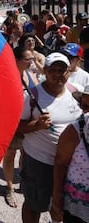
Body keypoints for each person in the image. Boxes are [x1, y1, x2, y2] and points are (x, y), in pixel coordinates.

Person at [18, 52, 82, 223]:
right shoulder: (31, 95)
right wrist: (36, 125)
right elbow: (17, 128)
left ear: (69, 72)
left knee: (62, 206)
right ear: (45, 70)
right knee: (34, 204)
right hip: (39, 163)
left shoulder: (75, 93)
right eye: (53, 69)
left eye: (62, 70)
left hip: (69, 165)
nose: (57, 74)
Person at [3, 47, 39, 208]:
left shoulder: (31, 76)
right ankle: (9, 188)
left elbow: (38, 96)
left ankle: (23, 182)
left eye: (33, 58)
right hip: (11, 125)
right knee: (10, 156)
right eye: (28, 59)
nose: (32, 62)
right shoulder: (6, 77)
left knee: (25, 155)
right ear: (17, 60)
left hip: (28, 125)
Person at [51, 85, 89, 223]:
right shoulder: (75, 130)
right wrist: (57, 199)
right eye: (84, 107)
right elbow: (60, 165)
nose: (86, 113)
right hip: (78, 207)